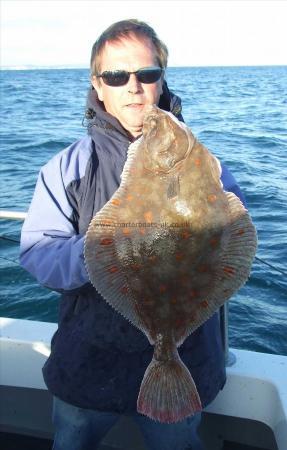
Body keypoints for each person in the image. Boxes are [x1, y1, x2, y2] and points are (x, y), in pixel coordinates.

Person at [20, 19, 245, 450]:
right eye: (117, 76)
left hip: (187, 358)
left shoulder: (206, 163)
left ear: (162, 80)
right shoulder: (68, 168)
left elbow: (233, 227)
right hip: (88, 363)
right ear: (98, 85)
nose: (134, 87)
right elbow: (39, 251)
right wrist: (102, 255)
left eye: (147, 74)